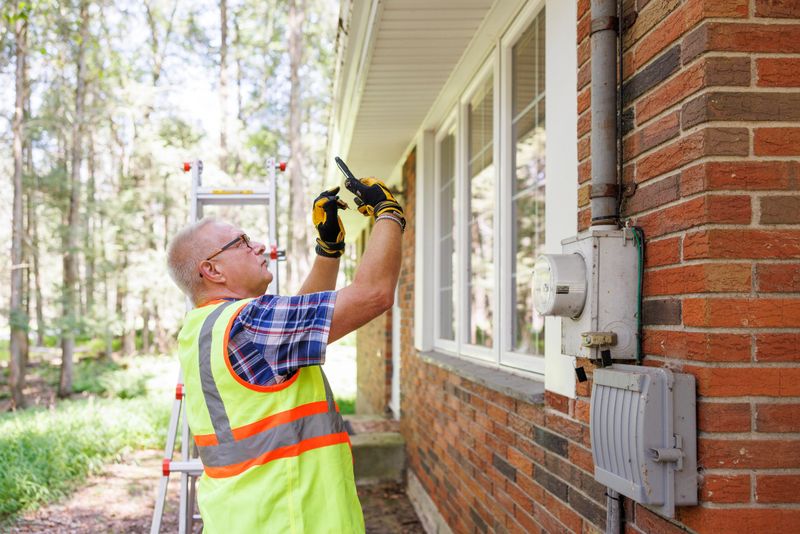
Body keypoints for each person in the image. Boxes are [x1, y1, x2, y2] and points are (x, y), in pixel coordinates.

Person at [166, 175, 404, 533]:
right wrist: (388, 212)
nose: (260, 246)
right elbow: (374, 294)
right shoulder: (249, 323)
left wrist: (328, 249)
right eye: (242, 242)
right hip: (291, 522)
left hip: (244, 520)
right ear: (212, 270)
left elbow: (298, 324)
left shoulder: (204, 326)